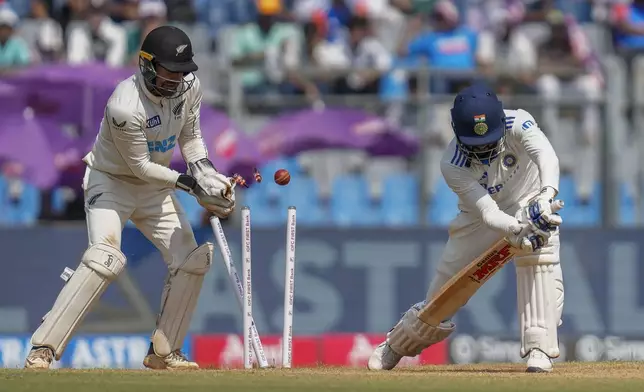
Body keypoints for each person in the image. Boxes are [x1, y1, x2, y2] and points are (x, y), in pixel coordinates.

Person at [24, 25, 236, 370]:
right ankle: (43, 349)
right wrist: (190, 185)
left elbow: (192, 139)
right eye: (171, 70)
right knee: (104, 258)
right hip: (112, 183)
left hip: (157, 187)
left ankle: (165, 352)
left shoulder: (188, 88)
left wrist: (208, 177)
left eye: (183, 71)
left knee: (192, 259)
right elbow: (139, 167)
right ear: (147, 65)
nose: (178, 79)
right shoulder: (125, 105)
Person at [367, 84, 565, 373]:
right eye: (476, 145)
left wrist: (546, 197)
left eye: (489, 142)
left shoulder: (519, 122)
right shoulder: (452, 164)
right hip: (479, 218)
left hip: (530, 201)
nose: (484, 151)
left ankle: (540, 349)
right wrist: (515, 227)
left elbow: (547, 157)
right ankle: (397, 344)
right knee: (443, 294)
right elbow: (488, 212)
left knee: (540, 260)